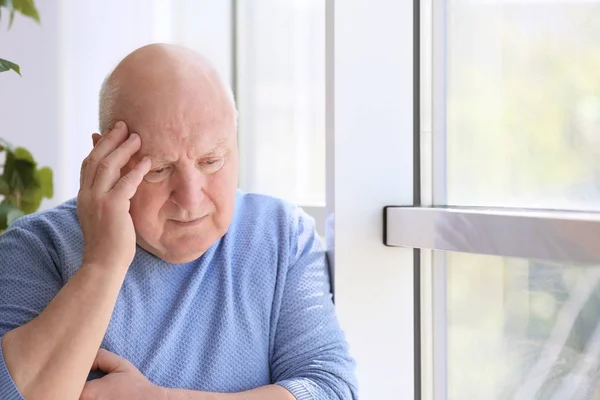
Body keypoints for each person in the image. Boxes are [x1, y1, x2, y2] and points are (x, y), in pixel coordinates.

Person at [0, 44, 357, 400]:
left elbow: (330, 389)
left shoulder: (282, 236)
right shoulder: (36, 247)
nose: (190, 197)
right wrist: (101, 264)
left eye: (212, 161)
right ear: (104, 158)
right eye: (158, 169)